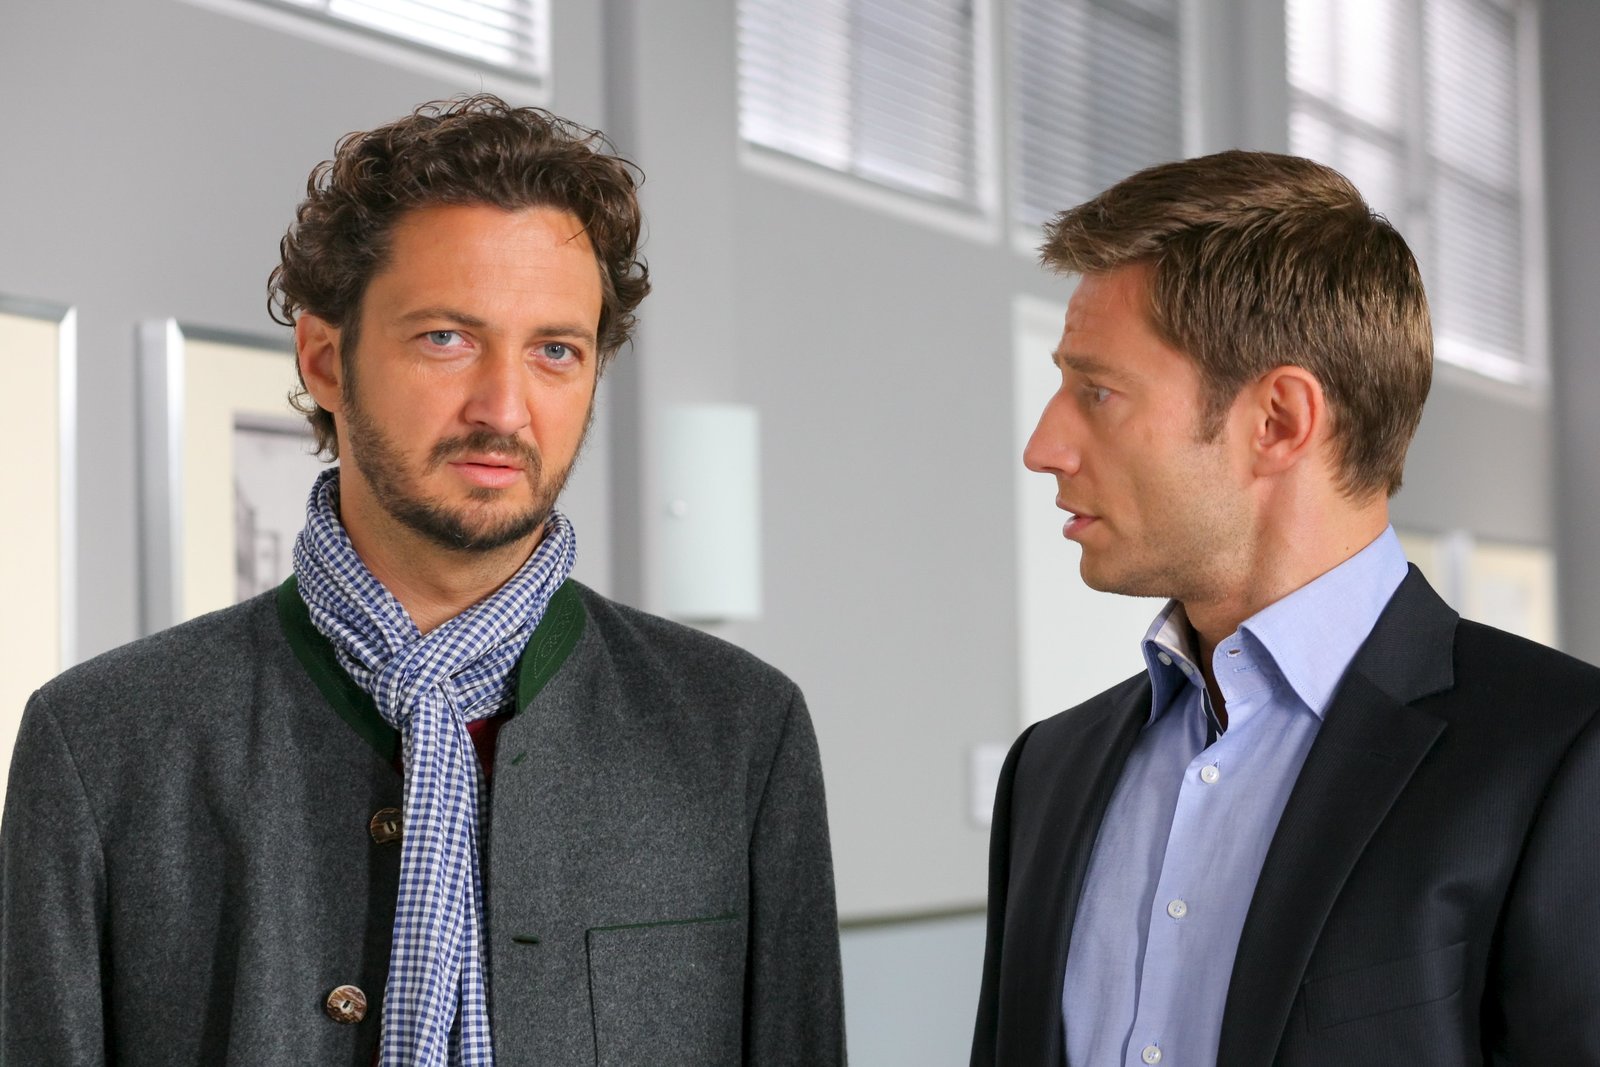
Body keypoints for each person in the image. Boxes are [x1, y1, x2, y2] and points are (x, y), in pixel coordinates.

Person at [0, 95, 845, 1066]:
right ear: (326, 360)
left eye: (555, 351)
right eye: (447, 337)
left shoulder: (736, 731)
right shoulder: (103, 742)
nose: (504, 407)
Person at [971, 151, 1600, 1066]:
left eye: (1096, 391)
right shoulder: (1047, 772)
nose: (1043, 445)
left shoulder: (1564, 756)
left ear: (1278, 421)